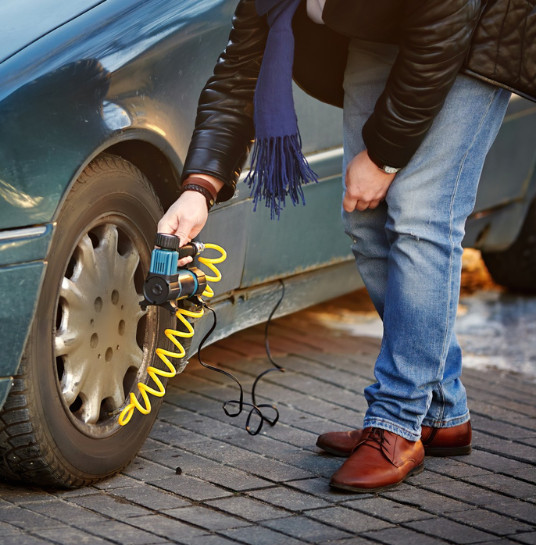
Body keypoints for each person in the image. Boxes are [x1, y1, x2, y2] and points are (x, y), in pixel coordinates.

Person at [157, 0, 535, 492]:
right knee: (365, 219)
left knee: (423, 216)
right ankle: (442, 410)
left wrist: (383, 157)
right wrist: (199, 189)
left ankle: (398, 422)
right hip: (383, 28)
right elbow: (240, 71)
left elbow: (442, 34)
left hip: (474, 32)